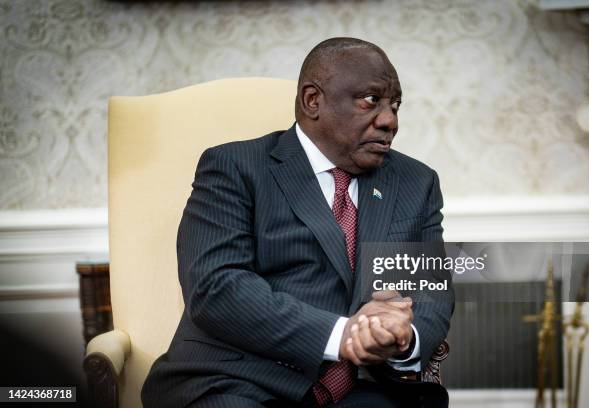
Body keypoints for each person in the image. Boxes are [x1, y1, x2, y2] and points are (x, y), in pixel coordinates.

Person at [141, 37, 454, 408]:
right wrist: (343, 335)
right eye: (371, 100)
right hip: (238, 381)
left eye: (395, 105)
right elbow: (217, 287)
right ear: (312, 101)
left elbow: (431, 293)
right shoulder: (236, 168)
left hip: (365, 388)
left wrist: (401, 336)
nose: (389, 120)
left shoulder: (415, 182)